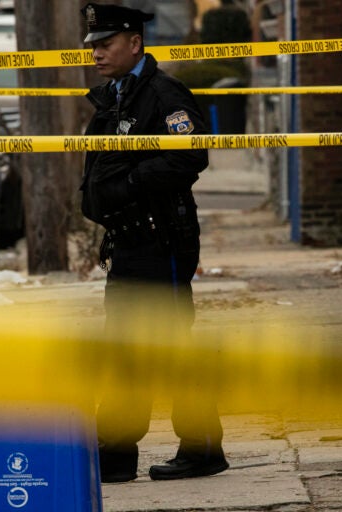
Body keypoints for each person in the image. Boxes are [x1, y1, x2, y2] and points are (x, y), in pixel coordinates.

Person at [78, 3, 228, 483]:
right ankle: (116, 453)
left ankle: (200, 448)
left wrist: (127, 185)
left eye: (106, 44)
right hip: (128, 242)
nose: (96, 53)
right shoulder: (117, 96)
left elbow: (191, 157)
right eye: (93, 45)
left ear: (135, 42)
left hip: (160, 239)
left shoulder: (163, 94)